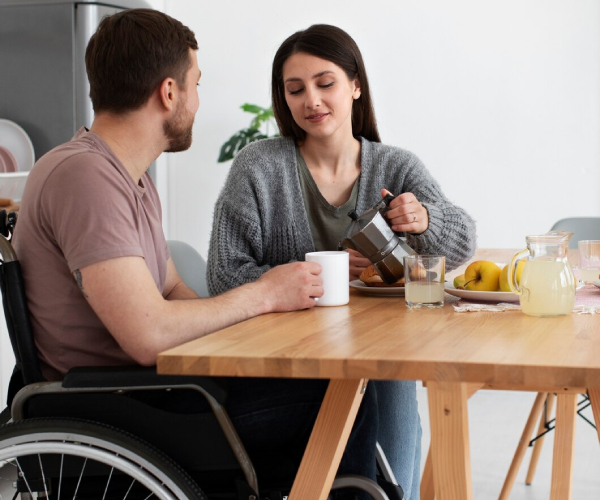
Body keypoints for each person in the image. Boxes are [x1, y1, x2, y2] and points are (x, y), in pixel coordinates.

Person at [12, 10, 379, 498]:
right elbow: (147, 335)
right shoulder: (85, 177)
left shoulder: (130, 177)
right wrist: (264, 295)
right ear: (169, 93)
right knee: (345, 390)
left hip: (155, 391)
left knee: (334, 379)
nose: (198, 100)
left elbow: (172, 293)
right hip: (123, 405)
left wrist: (267, 329)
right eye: (196, 84)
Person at [207, 24, 478, 500]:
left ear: (355, 85)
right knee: (387, 379)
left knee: (390, 373)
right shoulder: (258, 167)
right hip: (287, 363)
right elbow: (223, 276)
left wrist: (424, 219)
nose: (311, 100)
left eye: (325, 83)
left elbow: (462, 244)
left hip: (377, 351)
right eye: (295, 89)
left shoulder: (396, 166)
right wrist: (307, 280)